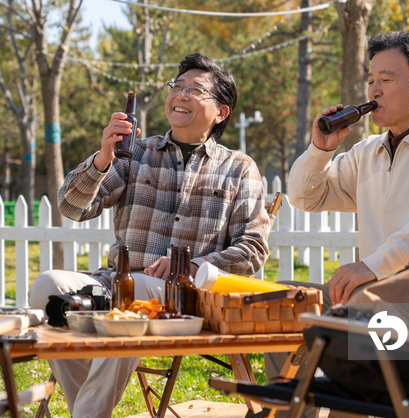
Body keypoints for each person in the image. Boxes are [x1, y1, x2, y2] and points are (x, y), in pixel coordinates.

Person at [29, 52, 271, 418]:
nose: (182, 95)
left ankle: (86, 414)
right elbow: (72, 207)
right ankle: (88, 412)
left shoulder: (239, 168)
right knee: (48, 285)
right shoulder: (136, 153)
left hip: (186, 298)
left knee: (135, 293)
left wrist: (189, 266)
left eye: (197, 90)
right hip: (117, 285)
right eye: (178, 86)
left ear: (221, 112)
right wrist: (102, 159)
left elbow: (253, 249)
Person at [264, 31, 409, 413]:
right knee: (285, 302)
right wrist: (322, 149)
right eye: (370, 81)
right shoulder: (367, 151)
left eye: (386, 80)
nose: (374, 90)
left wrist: (372, 266)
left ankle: (346, 397)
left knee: (348, 332)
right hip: (372, 302)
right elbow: (306, 197)